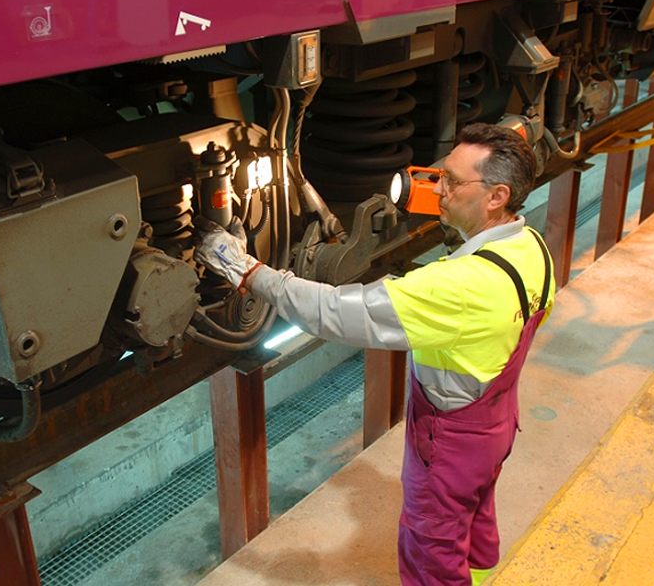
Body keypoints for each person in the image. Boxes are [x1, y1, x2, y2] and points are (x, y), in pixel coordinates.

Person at [195, 123, 554, 586]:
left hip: (448, 441)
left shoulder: (458, 286)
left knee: (431, 547)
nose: (437, 190)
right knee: (476, 519)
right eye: (439, 175)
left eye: (451, 181)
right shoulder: (531, 246)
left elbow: (333, 313)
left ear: (496, 196)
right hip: (496, 426)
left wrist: (242, 268)